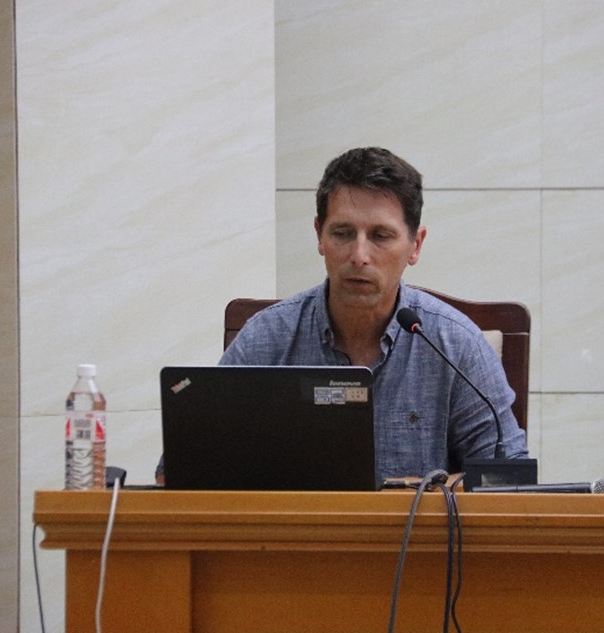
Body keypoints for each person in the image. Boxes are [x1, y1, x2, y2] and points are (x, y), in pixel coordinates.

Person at [158, 147, 527, 484]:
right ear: (320, 236)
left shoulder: (454, 344)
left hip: (416, 536)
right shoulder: (268, 337)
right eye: (343, 233)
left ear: (415, 245)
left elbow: (508, 478)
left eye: (380, 236)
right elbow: (177, 471)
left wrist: (422, 491)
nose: (359, 256)